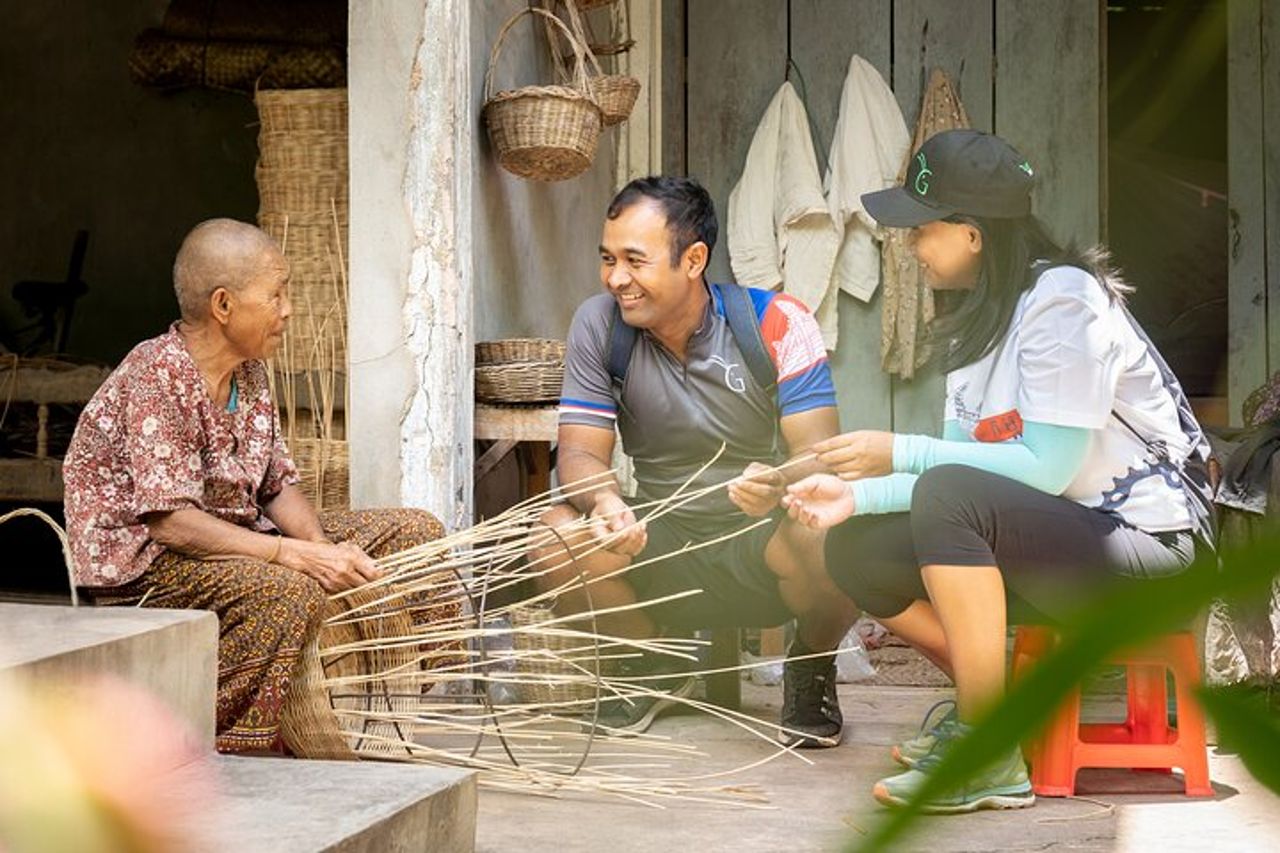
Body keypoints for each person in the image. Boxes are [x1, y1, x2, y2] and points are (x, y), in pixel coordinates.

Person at [782, 130, 1212, 811]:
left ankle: (988, 750)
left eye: (922, 229)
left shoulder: (1063, 301)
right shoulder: (979, 322)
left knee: (948, 494)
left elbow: (1044, 469)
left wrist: (898, 451)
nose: (912, 246)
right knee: (856, 547)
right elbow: (959, 472)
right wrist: (855, 496)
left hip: (1153, 550)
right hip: (1061, 544)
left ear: (972, 234)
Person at [63, 219, 442, 754]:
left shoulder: (250, 372)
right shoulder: (158, 375)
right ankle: (219, 740)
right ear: (223, 305)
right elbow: (171, 522)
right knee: (288, 589)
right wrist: (295, 558)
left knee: (414, 533)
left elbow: (276, 485)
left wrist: (324, 550)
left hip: (236, 537)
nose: (287, 309)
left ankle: (375, 702)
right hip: (149, 565)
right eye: (276, 294)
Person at [531, 176, 858, 745]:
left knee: (842, 529)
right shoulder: (599, 323)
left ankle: (810, 666)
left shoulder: (778, 321)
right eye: (608, 259)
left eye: (635, 260)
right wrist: (606, 500)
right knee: (553, 535)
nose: (616, 279)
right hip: (653, 538)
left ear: (694, 259)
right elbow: (581, 449)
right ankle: (653, 665)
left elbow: (818, 455)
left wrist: (778, 480)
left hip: (761, 540)